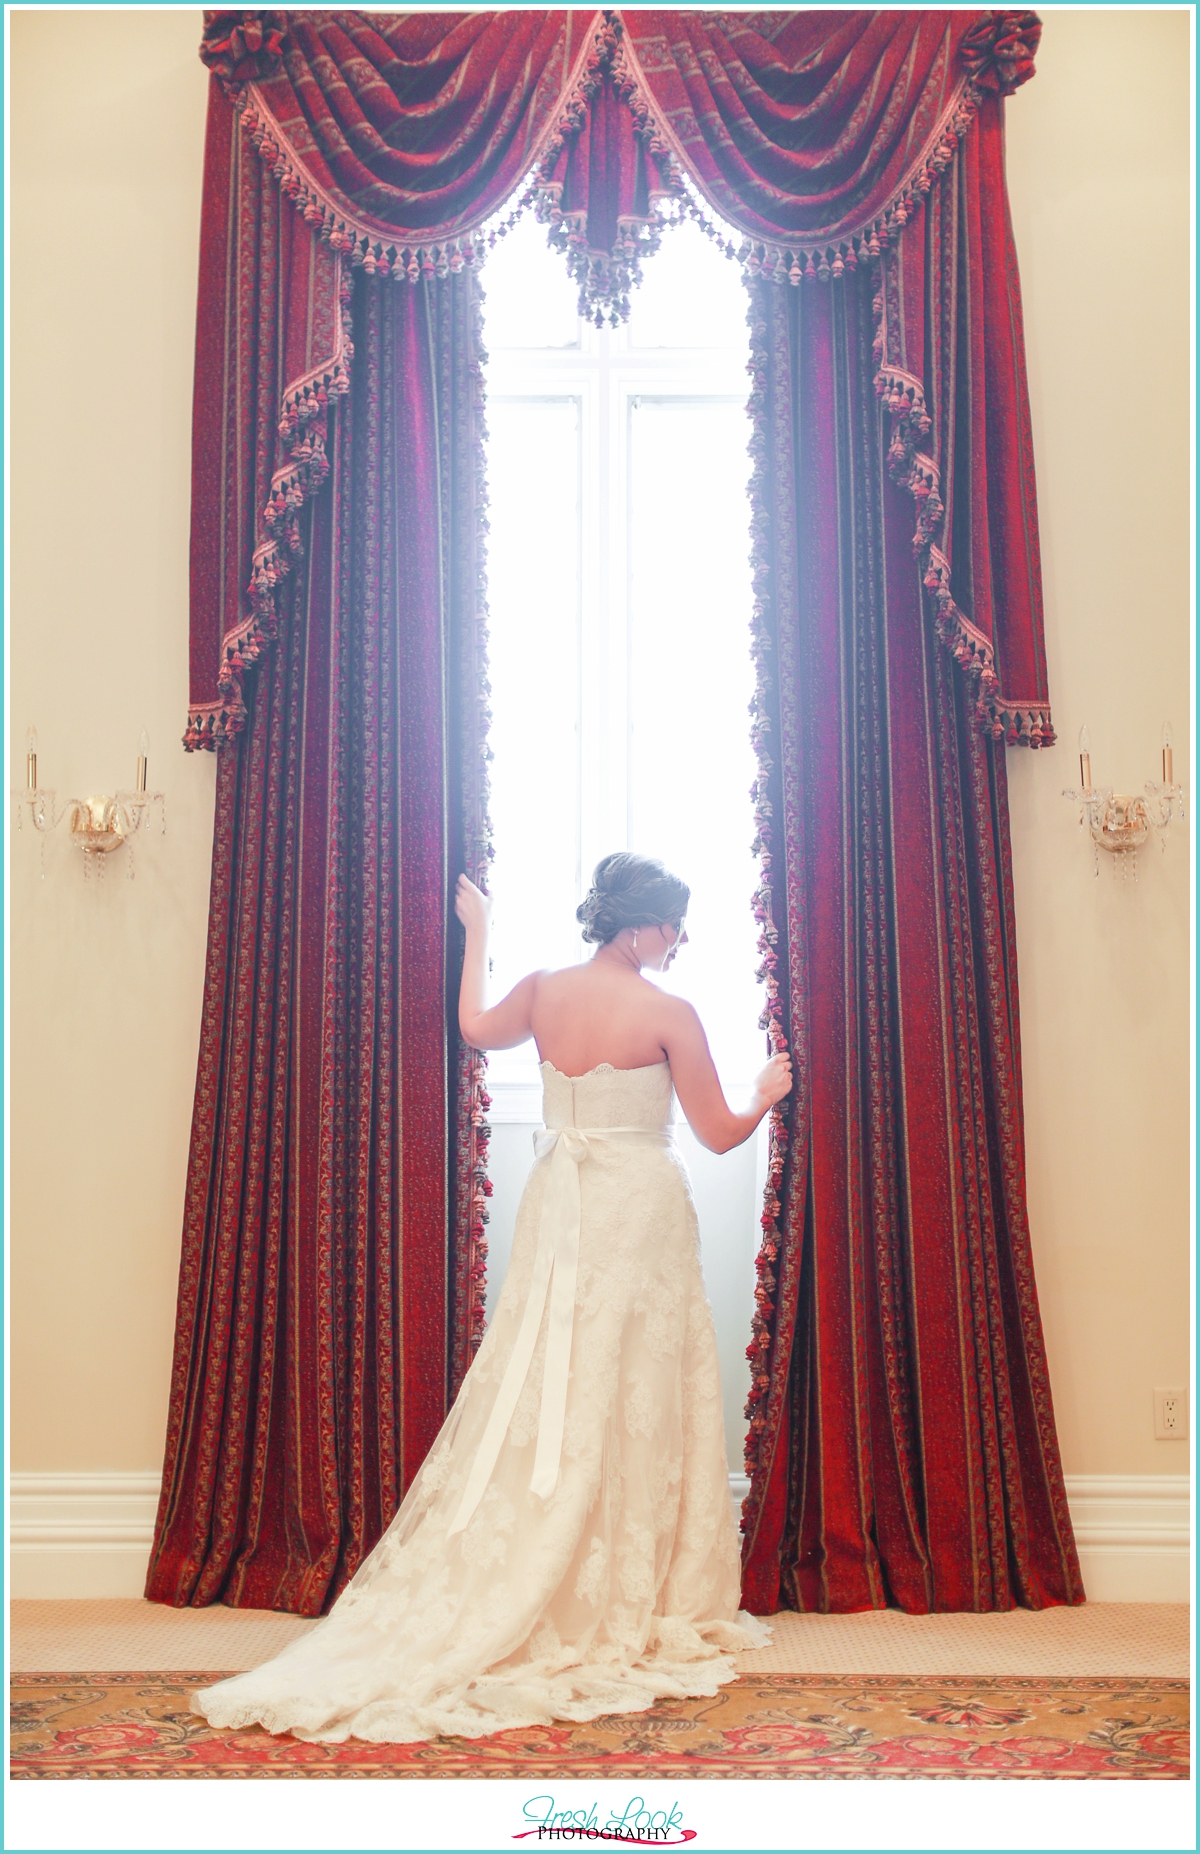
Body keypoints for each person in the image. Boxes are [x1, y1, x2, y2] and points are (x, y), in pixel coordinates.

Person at [193, 852, 792, 1744]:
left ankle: (548, 1546)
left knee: (549, 1363)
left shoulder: (545, 989)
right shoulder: (669, 1012)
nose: (680, 940)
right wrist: (763, 1095)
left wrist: (479, 935)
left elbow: (474, 1027)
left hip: (563, 1200)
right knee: (633, 1380)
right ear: (641, 926)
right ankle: (624, 1580)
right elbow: (714, 1134)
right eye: (675, 924)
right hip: (635, 1204)